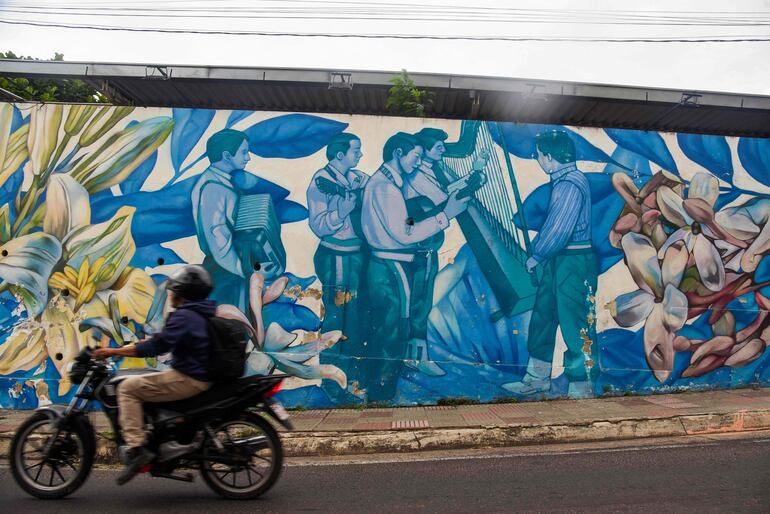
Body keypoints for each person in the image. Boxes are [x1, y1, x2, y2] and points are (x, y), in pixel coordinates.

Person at [359, 132, 470, 402]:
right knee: (390, 329)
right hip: (388, 266)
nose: (418, 162)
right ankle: (381, 395)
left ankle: (383, 390)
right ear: (398, 153)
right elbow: (404, 233)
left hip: (391, 264)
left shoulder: (390, 182)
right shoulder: (385, 187)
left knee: (394, 326)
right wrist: (446, 215)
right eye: (416, 157)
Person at [94, 265, 216, 485]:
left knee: (127, 388)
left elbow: (157, 346)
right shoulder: (198, 313)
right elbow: (163, 340)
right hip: (195, 376)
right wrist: (135, 345)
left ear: (184, 293)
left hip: (188, 379)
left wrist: (113, 351)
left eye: (174, 291)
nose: (170, 295)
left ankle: (137, 449)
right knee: (143, 382)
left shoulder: (186, 316)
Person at [503, 130, 598, 399]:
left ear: (549, 156)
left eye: (539, 155)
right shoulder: (563, 180)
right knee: (543, 317)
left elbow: (558, 230)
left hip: (573, 262)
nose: (538, 161)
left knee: (574, 323)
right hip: (560, 260)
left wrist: (537, 255)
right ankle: (537, 378)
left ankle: (581, 386)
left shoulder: (570, 183)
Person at [306, 132, 369, 402]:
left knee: (356, 319)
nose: (361, 155)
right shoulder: (321, 182)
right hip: (337, 257)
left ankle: (352, 378)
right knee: (337, 318)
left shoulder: (356, 178)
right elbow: (318, 225)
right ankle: (333, 383)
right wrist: (341, 211)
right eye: (356, 151)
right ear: (340, 155)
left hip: (357, 255)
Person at [191, 129, 252, 311]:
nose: (248, 157)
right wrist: (241, 270)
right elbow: (218, 236)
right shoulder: (213, 188)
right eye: (243, 152)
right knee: (230, 324)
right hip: (224, 270)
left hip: (224, 267)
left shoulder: (217, 181)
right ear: (226, 155)